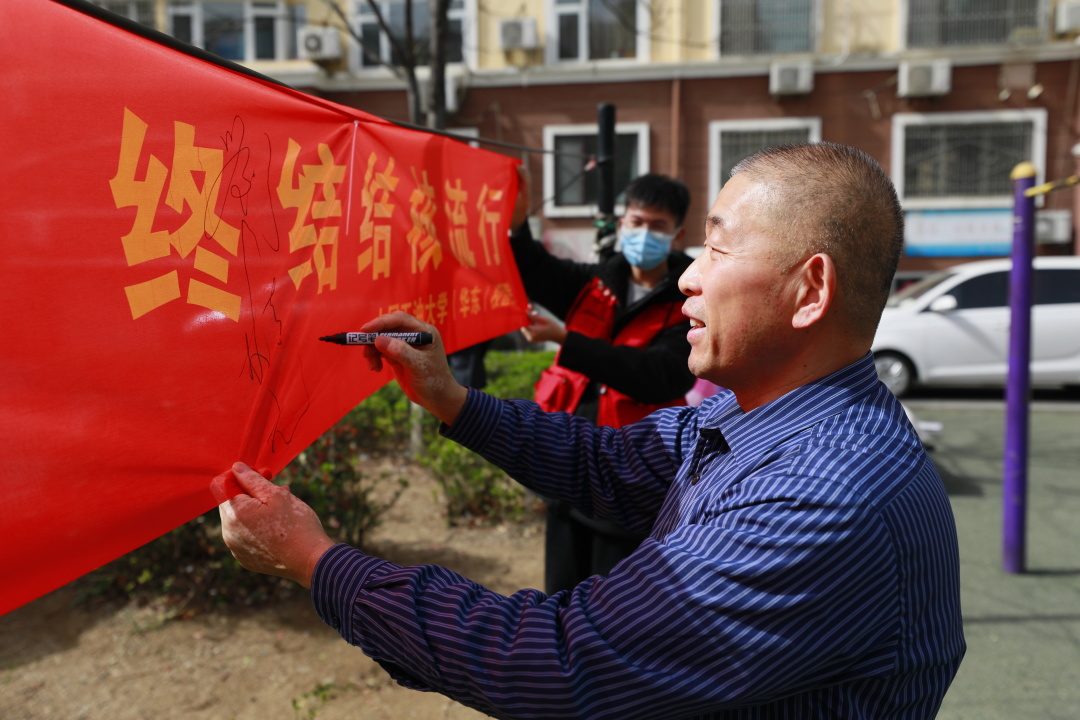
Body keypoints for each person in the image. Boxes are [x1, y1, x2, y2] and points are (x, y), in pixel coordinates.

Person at [214, 142, 965, 718]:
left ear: (811, 289)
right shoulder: (756, 413)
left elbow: (562, 662)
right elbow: (615, 462)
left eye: (718, 248)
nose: (688, 276)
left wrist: (317, 562)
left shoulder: (823, 497)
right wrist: (452, 400)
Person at [512, 173, 697, 593]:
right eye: (636, 222)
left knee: (615, 603)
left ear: (678, 234)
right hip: (567, 472)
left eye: (657, 225)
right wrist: (518, 223)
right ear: (621, 224)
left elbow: (659, 376)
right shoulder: (594, 283)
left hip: (632, 479)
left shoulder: (690, 301)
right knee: (560, 594)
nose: (643, 233)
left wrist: (567, 341)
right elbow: (534, 269)